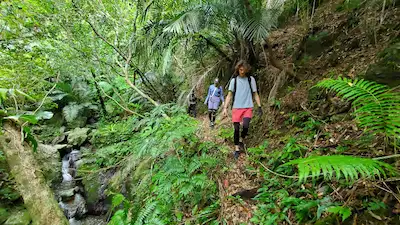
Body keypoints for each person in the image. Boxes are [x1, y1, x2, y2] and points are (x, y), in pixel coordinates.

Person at [223, 61, 263, 159]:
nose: (242, 71)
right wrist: (225, 108)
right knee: (236, 129)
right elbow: (229, 95)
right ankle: (236, 149)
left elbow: (255, 93)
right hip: (236, 107)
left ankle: (241, 139)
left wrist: (259, 106)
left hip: (248, 106)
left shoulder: (250, 80)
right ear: (238, 69)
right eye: (240, 69)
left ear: (246, 69)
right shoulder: (234, 81)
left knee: (246, 126)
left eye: (243, 69)